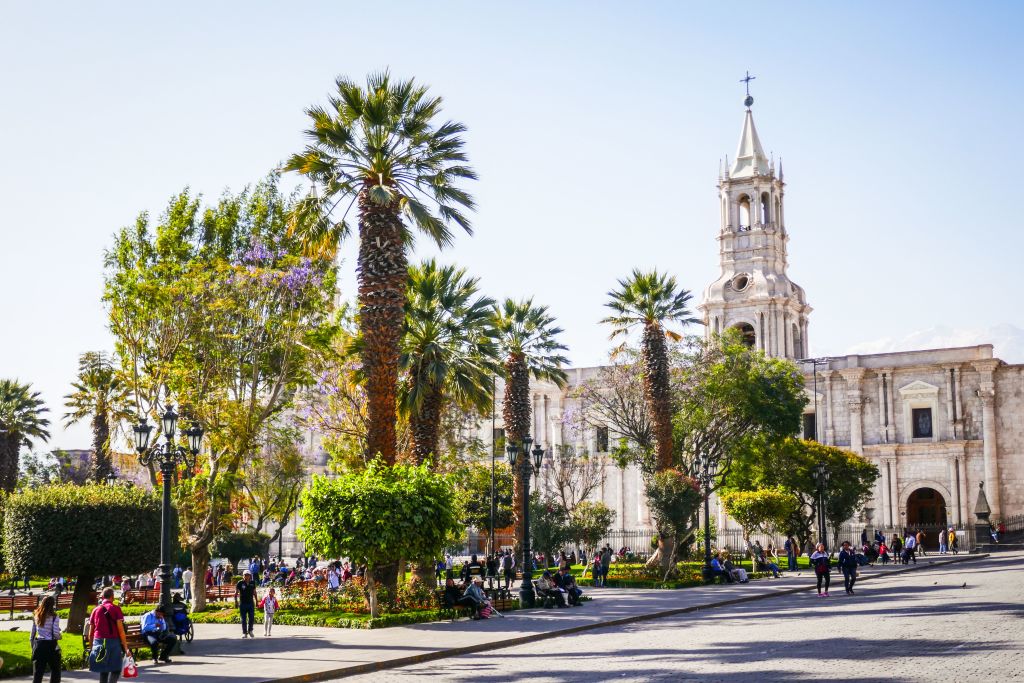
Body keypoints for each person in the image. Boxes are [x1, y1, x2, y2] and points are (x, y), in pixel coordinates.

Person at [88, 587, 128, 683]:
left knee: (104, 669)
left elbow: (91, 632)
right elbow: (121, 630)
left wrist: (91, 647)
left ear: (102, 597)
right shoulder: (116, 609)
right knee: (116, 669)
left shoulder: (95, 610)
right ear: (112, 597)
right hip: (113, 642)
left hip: (99, 641)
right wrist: (126, 648)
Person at [30, 595, 62, 683]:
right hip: (51, 646)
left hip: (39, 645)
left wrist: (33, 647)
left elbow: (32, 634)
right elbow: (56, 633)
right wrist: (60, 636)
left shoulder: (36, 615)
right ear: (53, 605)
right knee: (55, 670)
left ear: (42, 603)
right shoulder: (54, 617)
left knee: (38, 673)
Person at [235, 570, 257, 638]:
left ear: (250, 576)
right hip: (243, 603)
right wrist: (236, 601)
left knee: (251, 618)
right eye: (245, 575)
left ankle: (250, 630)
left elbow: (254, 592)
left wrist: (257, 601)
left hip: (250, 603)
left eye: (248, 575)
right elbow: (236, 593)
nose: (246, 576)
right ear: (243, 576)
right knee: (243, 619)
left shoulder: (252, 583)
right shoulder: (240, 583)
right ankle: (244, 633)